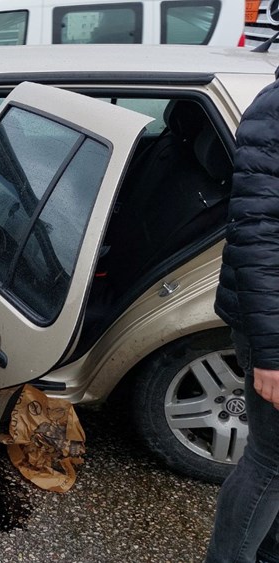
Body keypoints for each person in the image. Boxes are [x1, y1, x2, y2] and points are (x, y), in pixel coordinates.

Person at [204, 64, 279, 562]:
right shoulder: (275, 111)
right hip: (273, 326)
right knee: (271, 461)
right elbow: (258, 238)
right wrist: (273, 357)